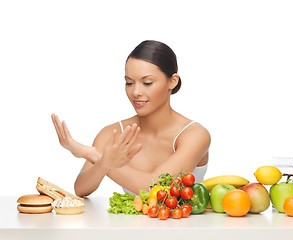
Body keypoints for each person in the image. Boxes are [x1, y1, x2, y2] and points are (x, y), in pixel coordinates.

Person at [51, 40, 211, 197]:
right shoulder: (113, 133)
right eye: (129, 83)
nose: (136, 92)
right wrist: (102, 163)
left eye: (147, 83)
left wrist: (93, 155)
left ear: (172, 81)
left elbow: (154, 189)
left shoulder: (194, 135)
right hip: (131, 224)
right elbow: (81, 189)